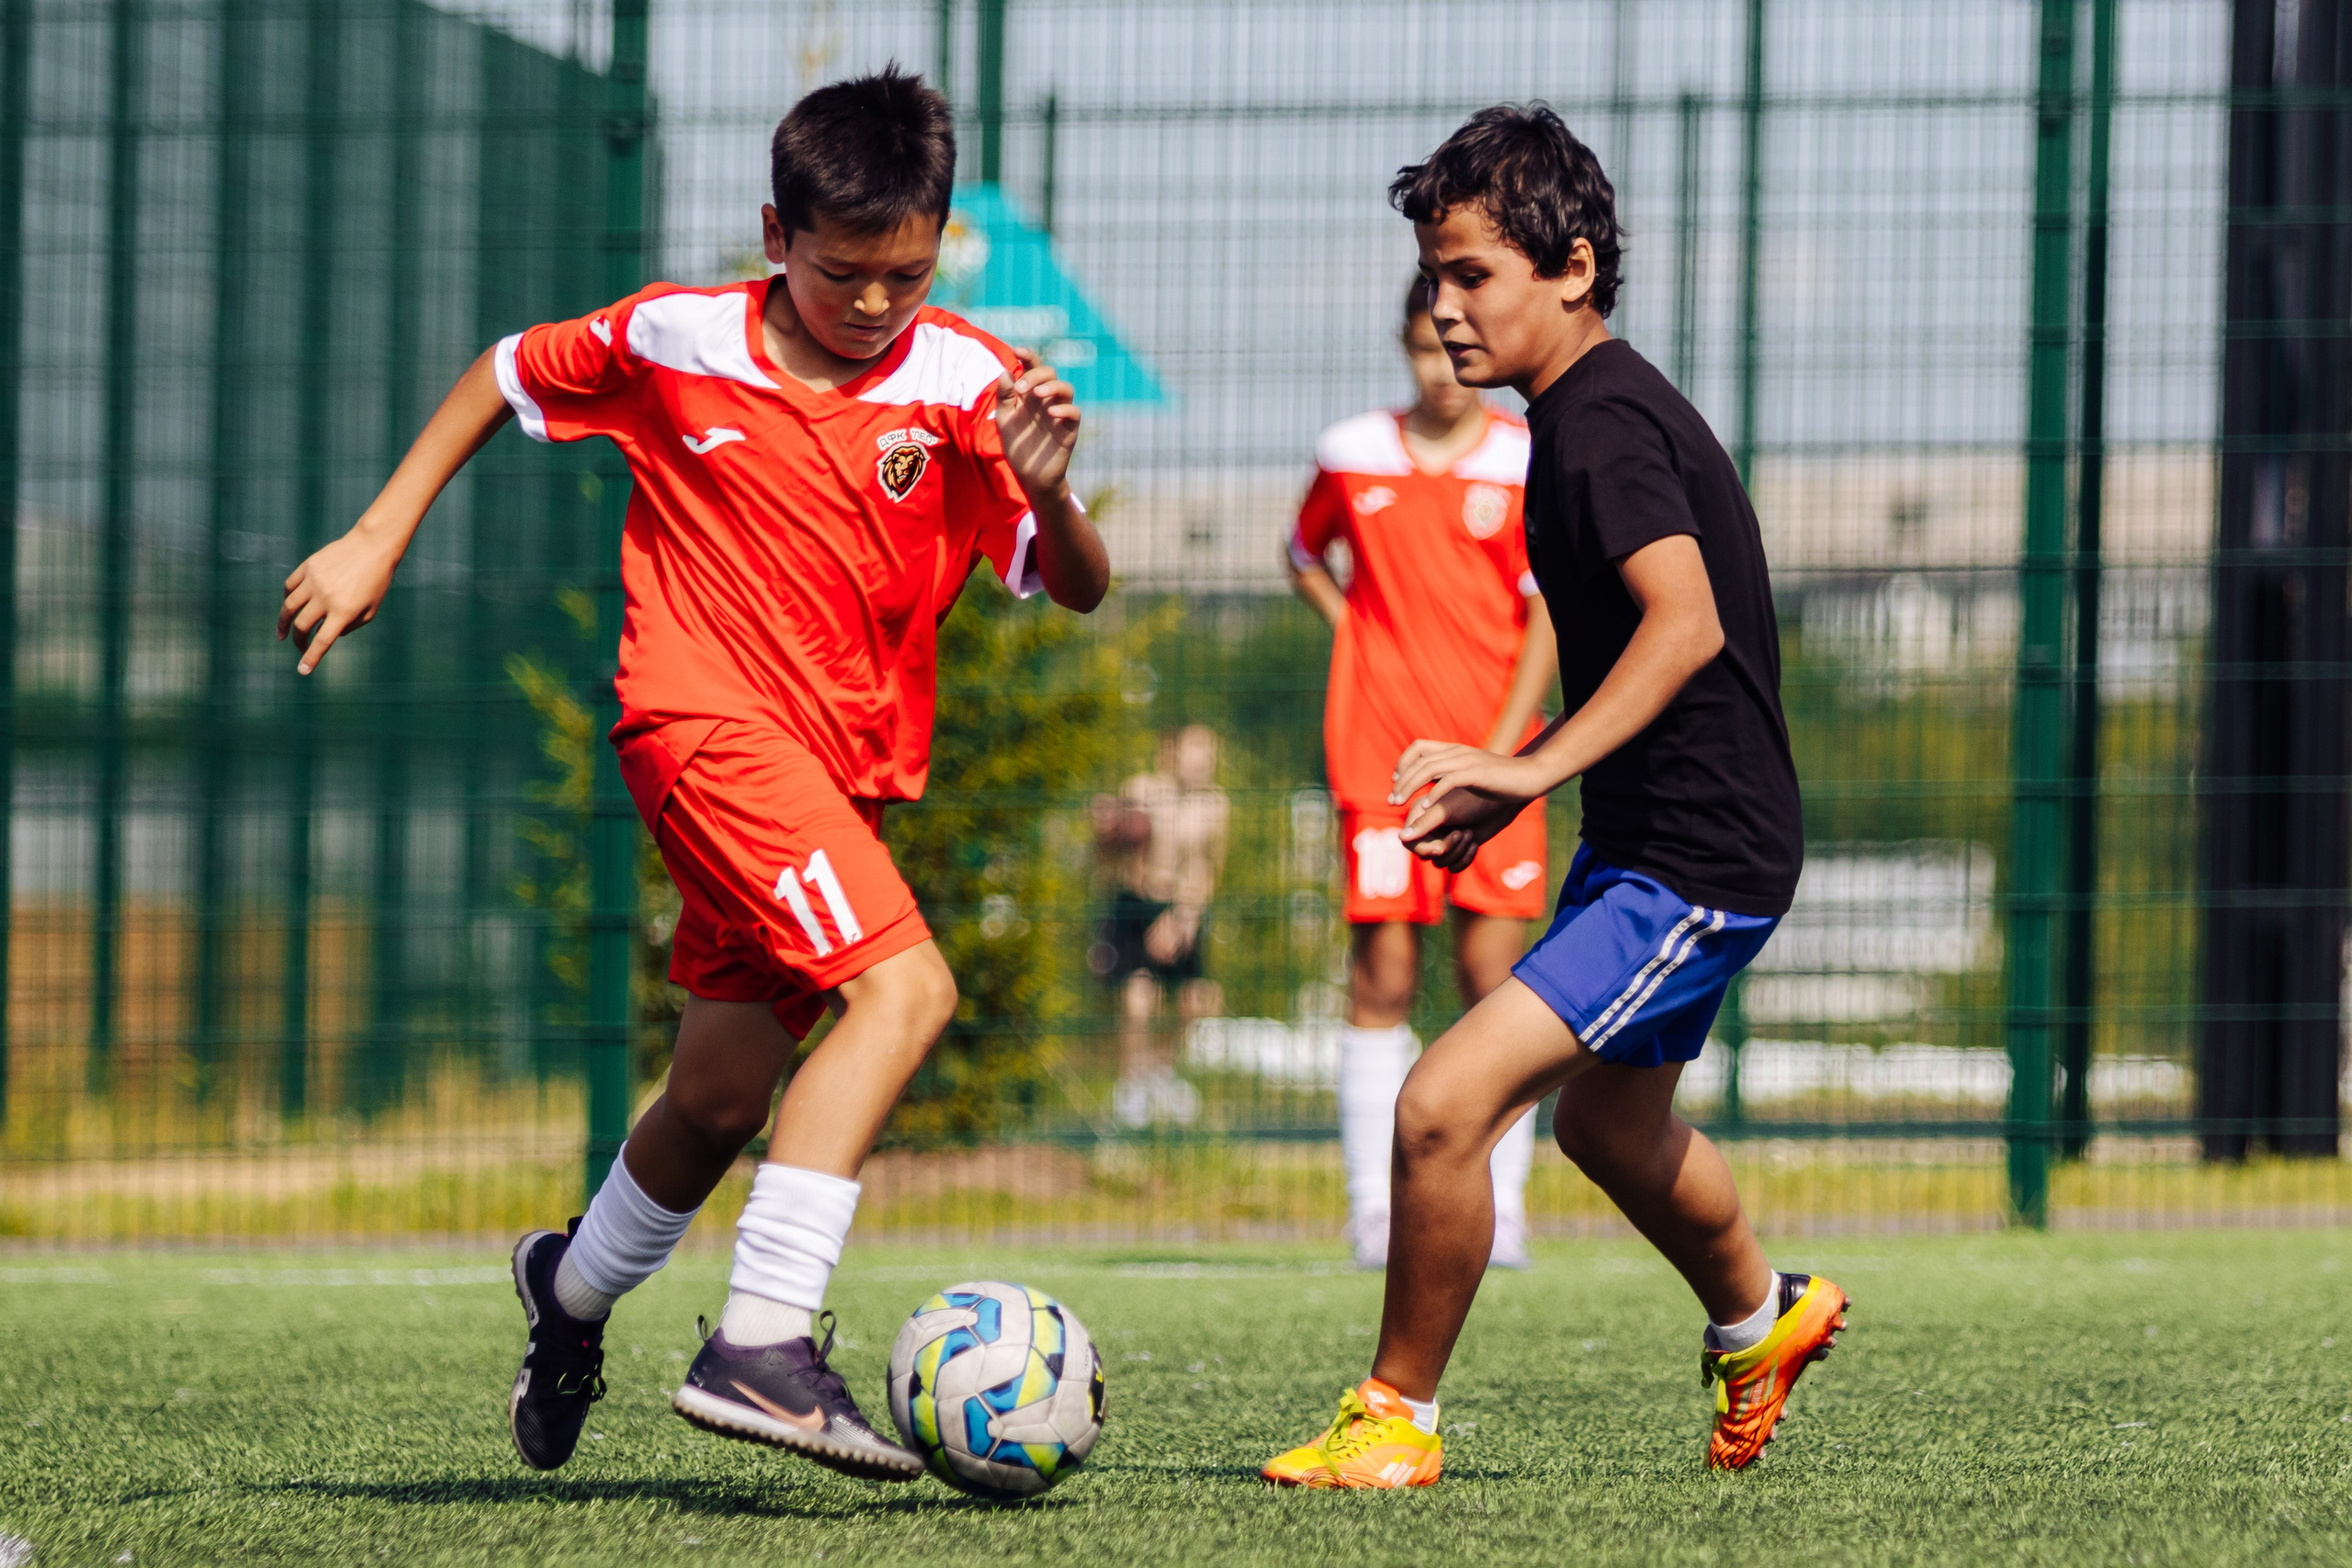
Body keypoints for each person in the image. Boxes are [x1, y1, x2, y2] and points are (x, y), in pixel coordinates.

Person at [277, 68, 1109, 1483]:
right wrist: (378, 535)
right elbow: (506, 368)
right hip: (701, 728)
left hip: (839, 780)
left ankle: (571, 1292)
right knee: (907, 990)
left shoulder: (970, 381)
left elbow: (1079, 587)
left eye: (904, 275)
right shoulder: (675, 337)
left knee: (719, 1096)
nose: (873, 304)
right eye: (843, 273)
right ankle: (763, 1340)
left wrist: (1047, 487)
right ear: (773, 231)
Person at [1262, 105, 1844, 1489]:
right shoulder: (1583, 414)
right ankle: (1763, 1319)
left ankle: (1394, 1418)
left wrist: (1520, 766)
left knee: (1440, 1103)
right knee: (1604, 1125)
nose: (1446, 307)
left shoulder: (1598, 431)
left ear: (1572, 267)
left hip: (1695, 860)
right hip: (1662, 844)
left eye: (1473, 276)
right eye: (1435, 277)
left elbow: (1684, 622)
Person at [1288, 277, 1558, 1271]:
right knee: (1382, 980)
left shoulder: (1525, 460)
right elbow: (1300, 551)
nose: (1438, 370)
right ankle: (1374, 1211)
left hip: (1497, 764)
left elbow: (1547, 613)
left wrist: (1502, 751)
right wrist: (1356, 641)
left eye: (1453, 349)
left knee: (1500, 985)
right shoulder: (1349, 453)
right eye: (1420, 350)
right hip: (1380, 762)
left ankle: (1507, 1210)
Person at [1091, 724, 1228, 1128]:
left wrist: (1185, 916)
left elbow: (1209, 869)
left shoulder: (1216, 806)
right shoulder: (1142, 790)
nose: (1202, 760)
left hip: (1183, 908)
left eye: (1209, 751)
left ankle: (1161, 1073)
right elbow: (1108, 849)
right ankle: (1131, 1086)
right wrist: (1105, 827)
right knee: (1138, 998)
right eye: (1194, 749)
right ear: (1172, 752)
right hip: (1136, 904)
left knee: (1197, 1001)